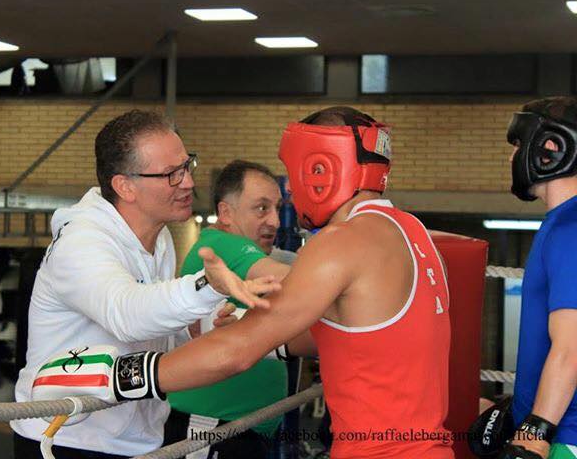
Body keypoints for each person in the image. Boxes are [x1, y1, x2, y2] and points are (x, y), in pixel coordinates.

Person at [40, 106, 455, 459]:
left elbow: (236, 354)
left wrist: (118, 376)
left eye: (291, 177)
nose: (291, 191)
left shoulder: (342, 242)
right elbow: (360, 333)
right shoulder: (413, 232)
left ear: (320, 170)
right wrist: (265, 332)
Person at [11, 110, 279, 459]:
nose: (187, 182)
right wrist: (207, 285)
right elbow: (127, 314)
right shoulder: (82, 243)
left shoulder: (159, 237)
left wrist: (199, 330)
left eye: (186, 166)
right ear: (125, 186)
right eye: (171, 174)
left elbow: (147, 336)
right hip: (66, 441)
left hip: (137, 439)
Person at [164, 160, 291, 459]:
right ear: (225, 213)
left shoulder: (251, 256)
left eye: (277, 208)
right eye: (261, 208)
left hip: (241, 429)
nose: (275, 221)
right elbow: (295, 283)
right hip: (210, 429)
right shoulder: (224, 245)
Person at [495, 97, 577, 459]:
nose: (511, 158)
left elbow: (572, 346)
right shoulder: (561, 223)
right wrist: (520, 406)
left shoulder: (571, 227)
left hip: (566, 437)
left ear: (551, 149)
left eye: (517, 145)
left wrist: (535, 430)